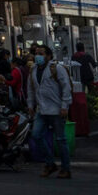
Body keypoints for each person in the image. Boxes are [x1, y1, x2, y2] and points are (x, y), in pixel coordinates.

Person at [29, 46, 74, 179]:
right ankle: (50, 163)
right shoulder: (33, 70)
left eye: (41, 53)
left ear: (48, 56)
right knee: (36, 135)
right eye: (36, 53)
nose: (38, 56)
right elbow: (30, 89)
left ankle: (65, 168)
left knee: (60, 140)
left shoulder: (57, 69)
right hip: (41, 110)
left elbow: (66, 87)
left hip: (57, 109)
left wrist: (65, 106)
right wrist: (30, 105)